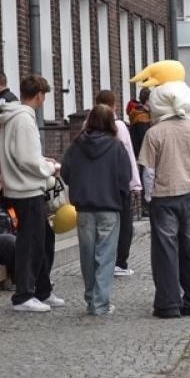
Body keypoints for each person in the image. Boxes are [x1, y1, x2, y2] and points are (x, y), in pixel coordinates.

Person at [139, 79, 190, 319]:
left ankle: (169, 304)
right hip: (188, 192)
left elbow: (148, 171)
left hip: (164, 194)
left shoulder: (154, 133)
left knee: (165, 250)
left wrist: (149, 196)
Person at [0, 75, 62, 311]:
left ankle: (42, 290)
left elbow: (22, 155)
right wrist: (49, 168)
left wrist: (42, 161)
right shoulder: (24, 119)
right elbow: (26, 158)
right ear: (39, 95)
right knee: (31, 243)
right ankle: (24, 295)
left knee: (42, 238)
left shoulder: (14, 117)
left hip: (21, 186)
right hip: (27, 188)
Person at [62, 104, 133, 316]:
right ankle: (100, 303)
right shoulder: (116, 146)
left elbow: (66, 173)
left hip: (83, 208)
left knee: (87, 255)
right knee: (106, 255)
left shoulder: (76, 146)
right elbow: (125, 177)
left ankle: (91, 298)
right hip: (109, 207)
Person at [95, 89, 142, 278]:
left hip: (98, 183)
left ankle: (100, 261)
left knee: (102, 224)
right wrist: (135, 183)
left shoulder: (88, 125)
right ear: (114, 105)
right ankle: (119, 262)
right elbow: (128, 154)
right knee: (123, 223)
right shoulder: (119, 126)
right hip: (118, 182)